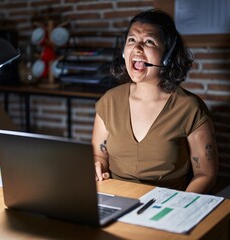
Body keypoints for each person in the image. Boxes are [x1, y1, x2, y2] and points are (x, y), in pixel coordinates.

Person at [92, 9, 218, 194]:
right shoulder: (109, 101)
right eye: (131, 40)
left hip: (167, 206)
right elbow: (99, 155)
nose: (137, 48)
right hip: (115, 199)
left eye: (149, 41)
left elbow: (205, 174)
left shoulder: (190, 108)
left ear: (168, 56)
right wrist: (98, 167)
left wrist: (181, 207)